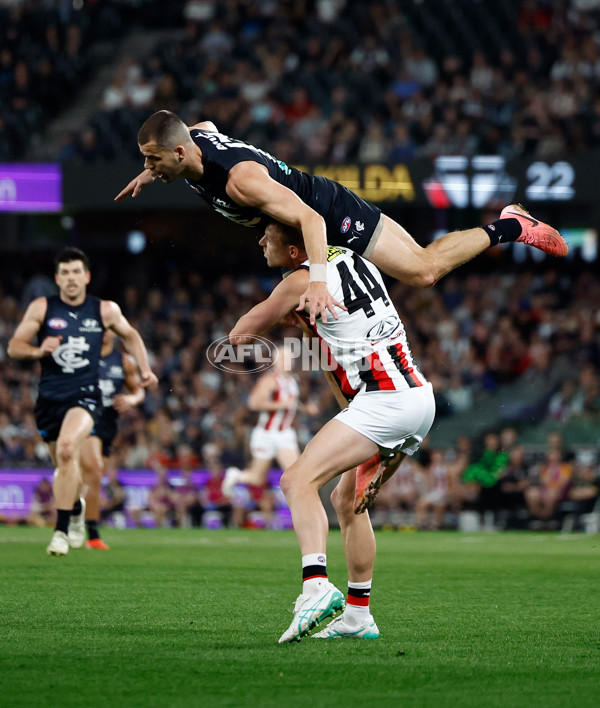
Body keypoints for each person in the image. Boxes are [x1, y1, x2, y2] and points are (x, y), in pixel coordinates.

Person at [115, 110, 568, 326]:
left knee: (423, 271)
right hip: (296, 229)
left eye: (153, 159)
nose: (149, 165)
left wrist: (316, 280)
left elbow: (311, 220)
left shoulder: (240, 182)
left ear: (178, 152)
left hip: (329, 214)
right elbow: (206, 130)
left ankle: (512, 224)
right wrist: (150, 173)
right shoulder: (191, 145)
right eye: (145, 160)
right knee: (320, 333)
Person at [229, 222, 436, 642]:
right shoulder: (358, 260)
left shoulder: (300, 282)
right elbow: (341, 359)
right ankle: (359, 616)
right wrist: (310, 330)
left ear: (293, 252)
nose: (260, 241)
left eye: (268, 236)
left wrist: (286, 315)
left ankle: (316, 585)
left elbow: (238, 336)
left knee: (296, 480)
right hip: (414, 396)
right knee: (348, 501)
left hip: (386, 400)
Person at [7, 247, 158, 556]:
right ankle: (75, 508)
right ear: (57, 279)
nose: (71, 278)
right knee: (64, 463)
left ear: (86, 276)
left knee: (67, 449)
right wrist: (38, 351)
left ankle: (61, 532)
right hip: (49, 399)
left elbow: (130, 335)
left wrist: (145, 370)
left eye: (76, 272)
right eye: (65, 273)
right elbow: (14, 347)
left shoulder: (104, 310)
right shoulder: (42, 308)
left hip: (86, 397)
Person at [79, 329, 146, 549]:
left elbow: (138, 390)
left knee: (95, 480)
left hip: (109, 424)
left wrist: (131, 399)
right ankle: (91, 533)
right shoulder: (83, 356)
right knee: (96, 471)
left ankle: (87, 530)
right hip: (86, 420)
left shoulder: (124, 361)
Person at [222, 343, 317, 496]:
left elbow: (290, 402)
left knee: (297, 476)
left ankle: (298, 509)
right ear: (276, 360)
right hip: (266, 434)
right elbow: (253, 403)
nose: (288, 360)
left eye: (290, 357)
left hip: (285, 434)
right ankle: (236, 475)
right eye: (284, 357)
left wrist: (305, 408)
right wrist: (281, 404)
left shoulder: (292, 380)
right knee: (256, 478)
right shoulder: (270, 380)